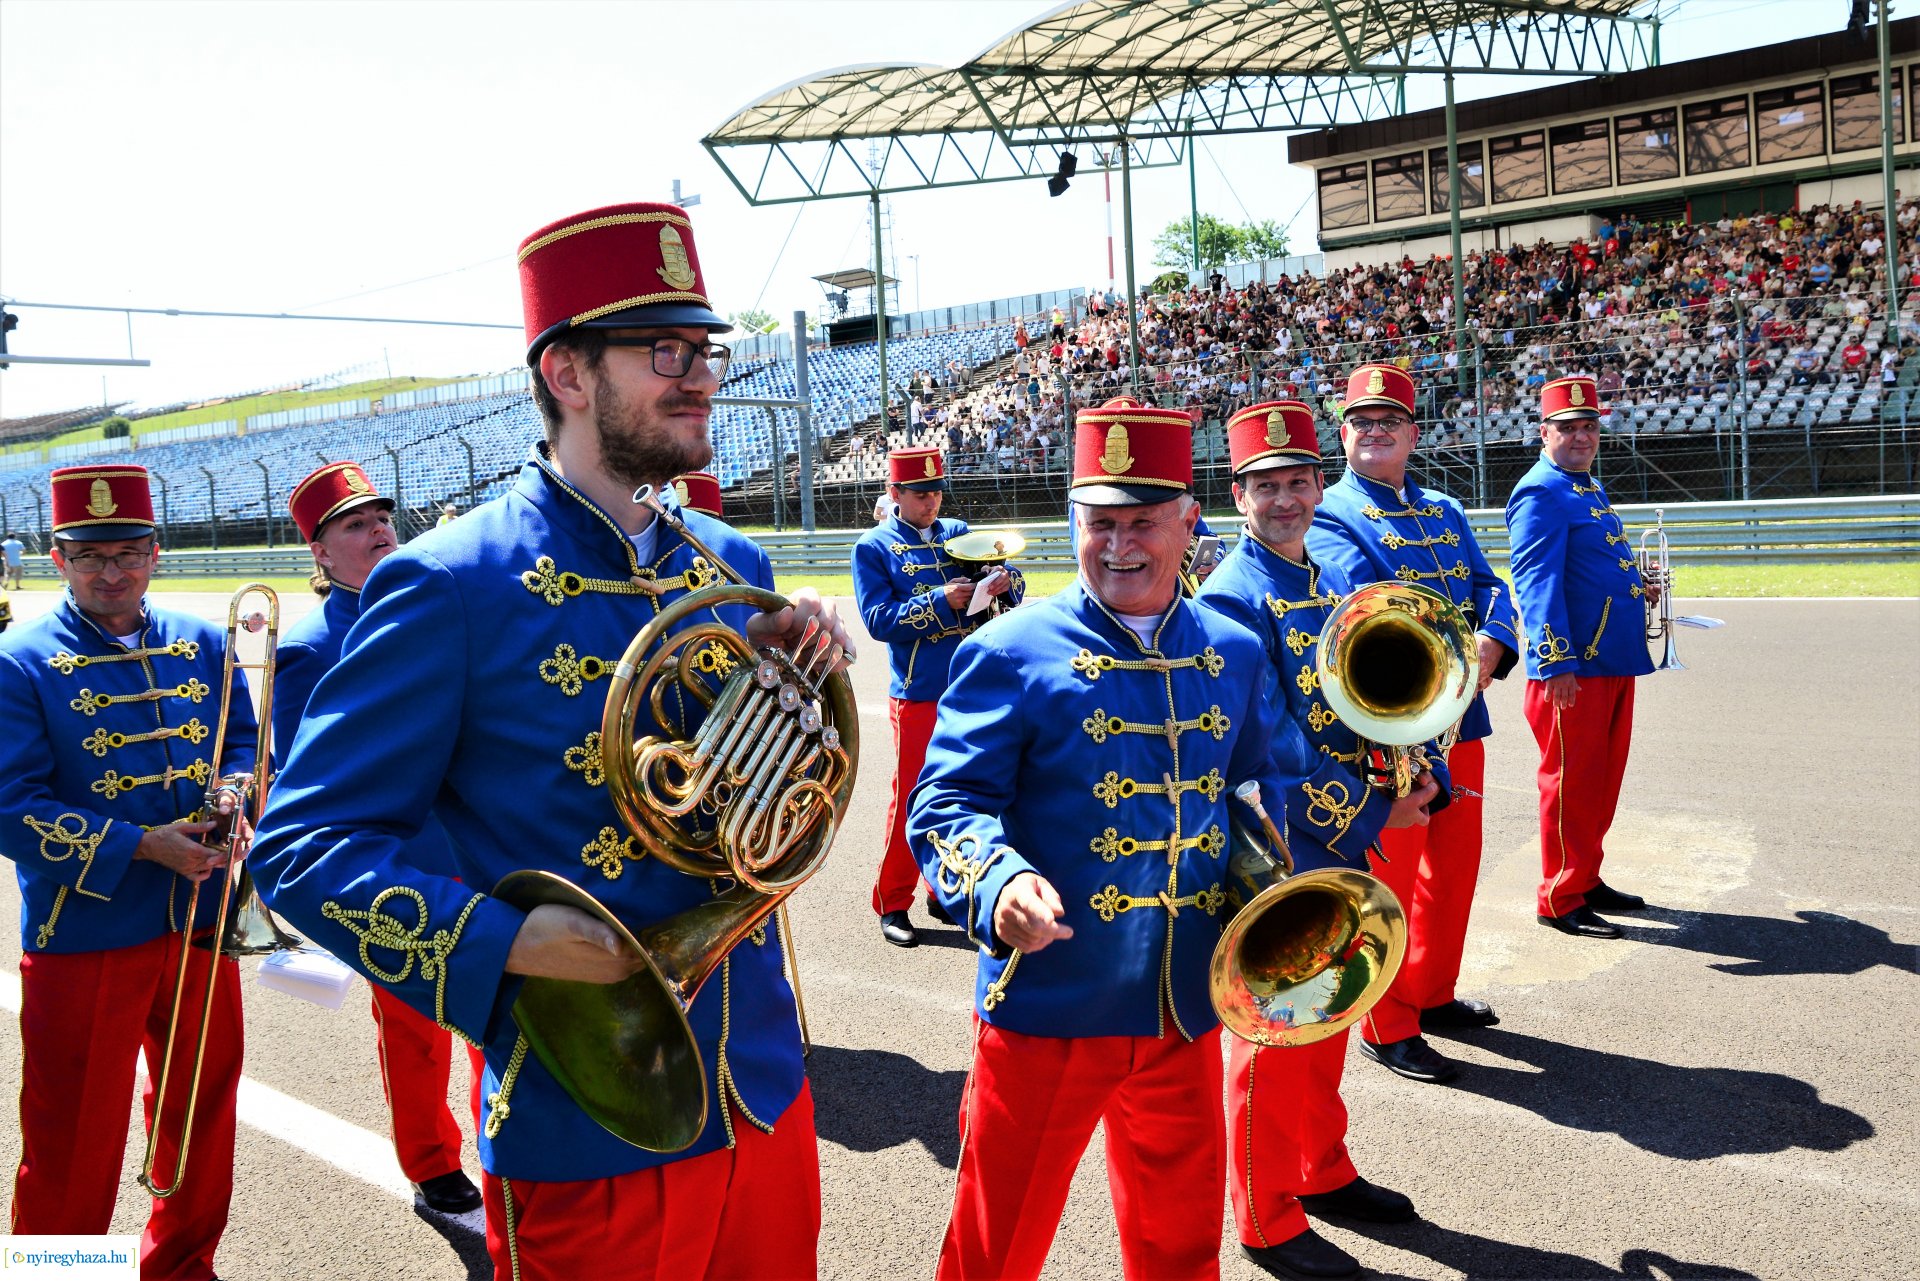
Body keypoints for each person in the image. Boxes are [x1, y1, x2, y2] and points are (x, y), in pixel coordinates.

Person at [251, 202, 852, 1281]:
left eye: (705, 350)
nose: (701, 374)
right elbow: (299, 850)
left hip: (758, 1082)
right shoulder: (448, 581)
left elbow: (771, 808)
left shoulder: (730, 560)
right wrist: (505, 942)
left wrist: (802, 689)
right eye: (664, 351)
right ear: (568, 374)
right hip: (583, 1109)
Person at [909, 396, 1296, 1281]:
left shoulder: (1234, 648)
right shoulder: (1008, 648)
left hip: (1186, 1000)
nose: (1119, 545)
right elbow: (945, 801)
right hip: (1053, 997)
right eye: (1099, 524)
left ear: (1190, 523)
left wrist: (1274, 888)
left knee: (1183, 1239)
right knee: (996, 1242)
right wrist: (995, 878)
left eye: (1142, 523)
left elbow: (1241, 788)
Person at [1197, 401, 1444, 1280]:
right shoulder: (1234, 591)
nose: (1288, 499)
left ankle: (1319, 1168)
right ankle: (1264, 1213)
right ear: (1239, 494)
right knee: (1276, 1028)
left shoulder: (1326, 574)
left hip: (1345, 828)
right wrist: (1375, 811)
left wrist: (1419, 765)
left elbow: (1368, 692)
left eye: (1300, 481)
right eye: (1268, 486)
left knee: (1333, 1007)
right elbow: (1269, 743)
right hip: (1287, 840)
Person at [0, 463, 257, 1281]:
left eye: (128, 552)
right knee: (75, 1137)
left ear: (156, 550)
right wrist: (142, 844)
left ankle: (182, 1266)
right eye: (88, 556)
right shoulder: (17, 661)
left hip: (200, 919)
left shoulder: (206, 641)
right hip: (89, 932)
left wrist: (236, 792)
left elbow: (245, 742)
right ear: (55, 558)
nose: (111, 572)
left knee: (202, 1113)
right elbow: (9, 803)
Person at [274, 461, 484, 1215]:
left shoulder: (435, 607)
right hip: (400, 869)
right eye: (356, 524)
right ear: (320, 554)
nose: (380, 530)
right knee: (417, 1027)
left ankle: (509, 1145)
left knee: (504, 1013)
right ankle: (431, 1161)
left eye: (382, 517)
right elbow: (306, 782)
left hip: (479, 853)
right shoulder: (308, 648)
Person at [1307, 363, 1522, 1085]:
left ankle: (1430, 990)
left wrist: (1495, 639)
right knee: (1392, 881)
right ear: (1343, 434)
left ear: (1413, 433)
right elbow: (1363, 600)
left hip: (1463, 717)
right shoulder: (1332, 509)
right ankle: (1387, 1020)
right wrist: (1458, 648)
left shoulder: (1445, 508)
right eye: (1362, 421)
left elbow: (1491, 585)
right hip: (1393, 730)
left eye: (1389, 421)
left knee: (1454, 867)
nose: (1375, 431)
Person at [852, 445, 1022, 948]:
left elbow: (1000, 587)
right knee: (910, 799)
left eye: (936, 491)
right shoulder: (875, 548)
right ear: (894, 493)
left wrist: (1006, 583)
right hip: (920, 690)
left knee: (965, 795)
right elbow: (879, 622)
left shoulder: (957, 534)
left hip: (971, 684)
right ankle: (892, 900)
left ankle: (941, 889)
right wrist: (937, 601)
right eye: (920, 493)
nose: (931, 502)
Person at [1505, 376, 1654, 940]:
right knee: (1568, 784)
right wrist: (1554, 661)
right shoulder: (1541, 490)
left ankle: (1585, 877)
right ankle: (1558, 896)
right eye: (1568, 428)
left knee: (1600, 781)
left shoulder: (1585, 487)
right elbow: (1535, 582)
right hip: (1573, 668)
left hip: (1610, 659)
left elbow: (1591, 569)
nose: (1581, 436)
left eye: (1589, 426)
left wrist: (1638, 586)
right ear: (1544, 433)